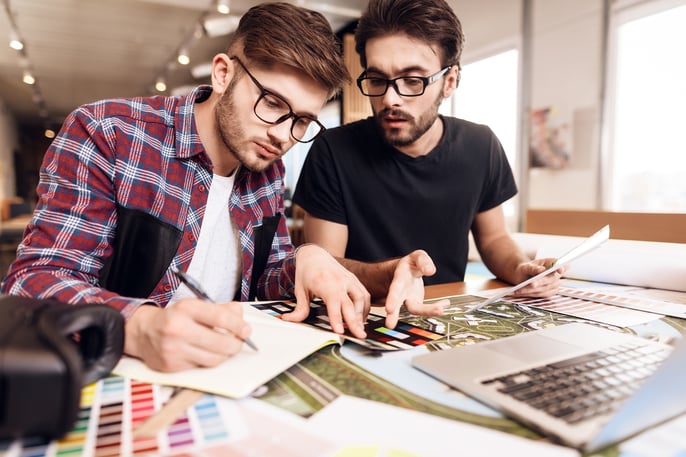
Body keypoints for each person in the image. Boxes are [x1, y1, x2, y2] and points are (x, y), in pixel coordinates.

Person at [0, 2, 445, 373]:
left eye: (302, 121)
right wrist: (138, 326)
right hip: (116, 368)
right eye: (273, 103)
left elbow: (267, 280)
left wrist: (308, 260)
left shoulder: (265, 168)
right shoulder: (108, 132)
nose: (283, 135)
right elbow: (30, 283)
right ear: (222, 74)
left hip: (227, 370)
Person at [293, 0, 565, 295]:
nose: (390, 100)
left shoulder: (481, 146)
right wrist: (391, 274)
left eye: (412, 81)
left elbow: (494, 239)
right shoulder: (332, 150)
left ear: (449, 81)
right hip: (361, 314)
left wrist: (520, 268)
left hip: (449, 316)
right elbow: (325, 265)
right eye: (377, 79)